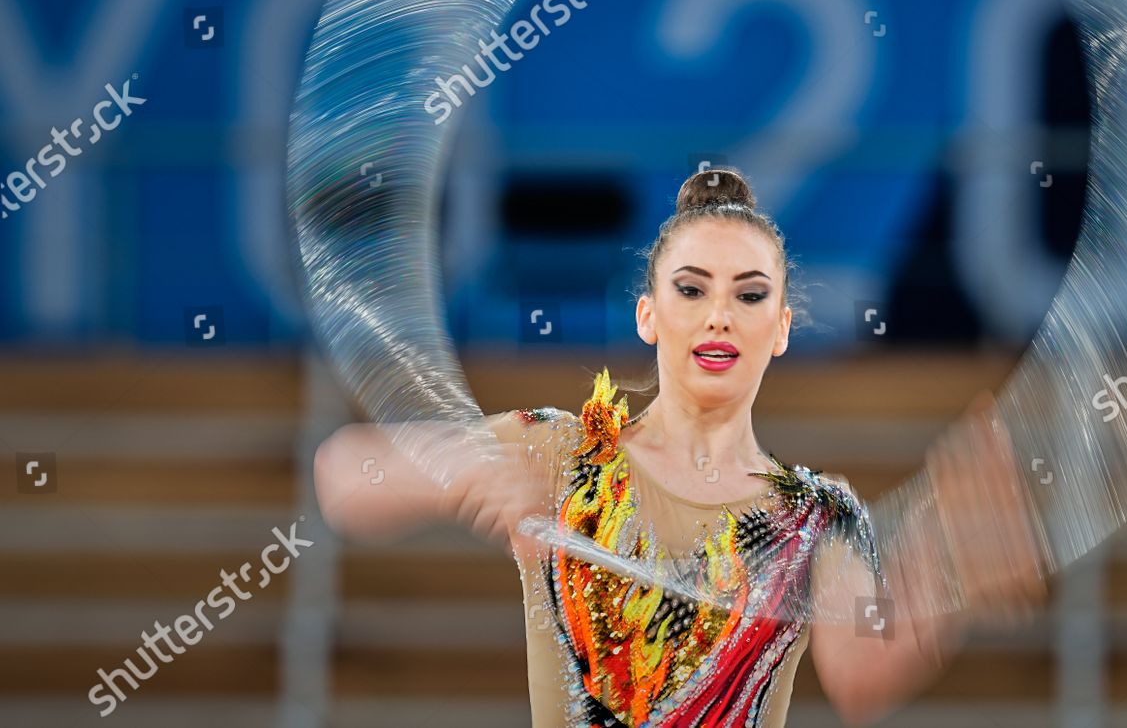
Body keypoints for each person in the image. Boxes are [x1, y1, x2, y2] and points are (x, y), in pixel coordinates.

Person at [314, 167, 1045, 727]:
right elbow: (342, 473)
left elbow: (862, 673)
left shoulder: (817, 516)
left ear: (783, 327)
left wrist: (949, 582)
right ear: (648, 314)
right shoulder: (566, 454)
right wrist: (460, 469)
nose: (719, 316)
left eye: (749, 295)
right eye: (691, 290)